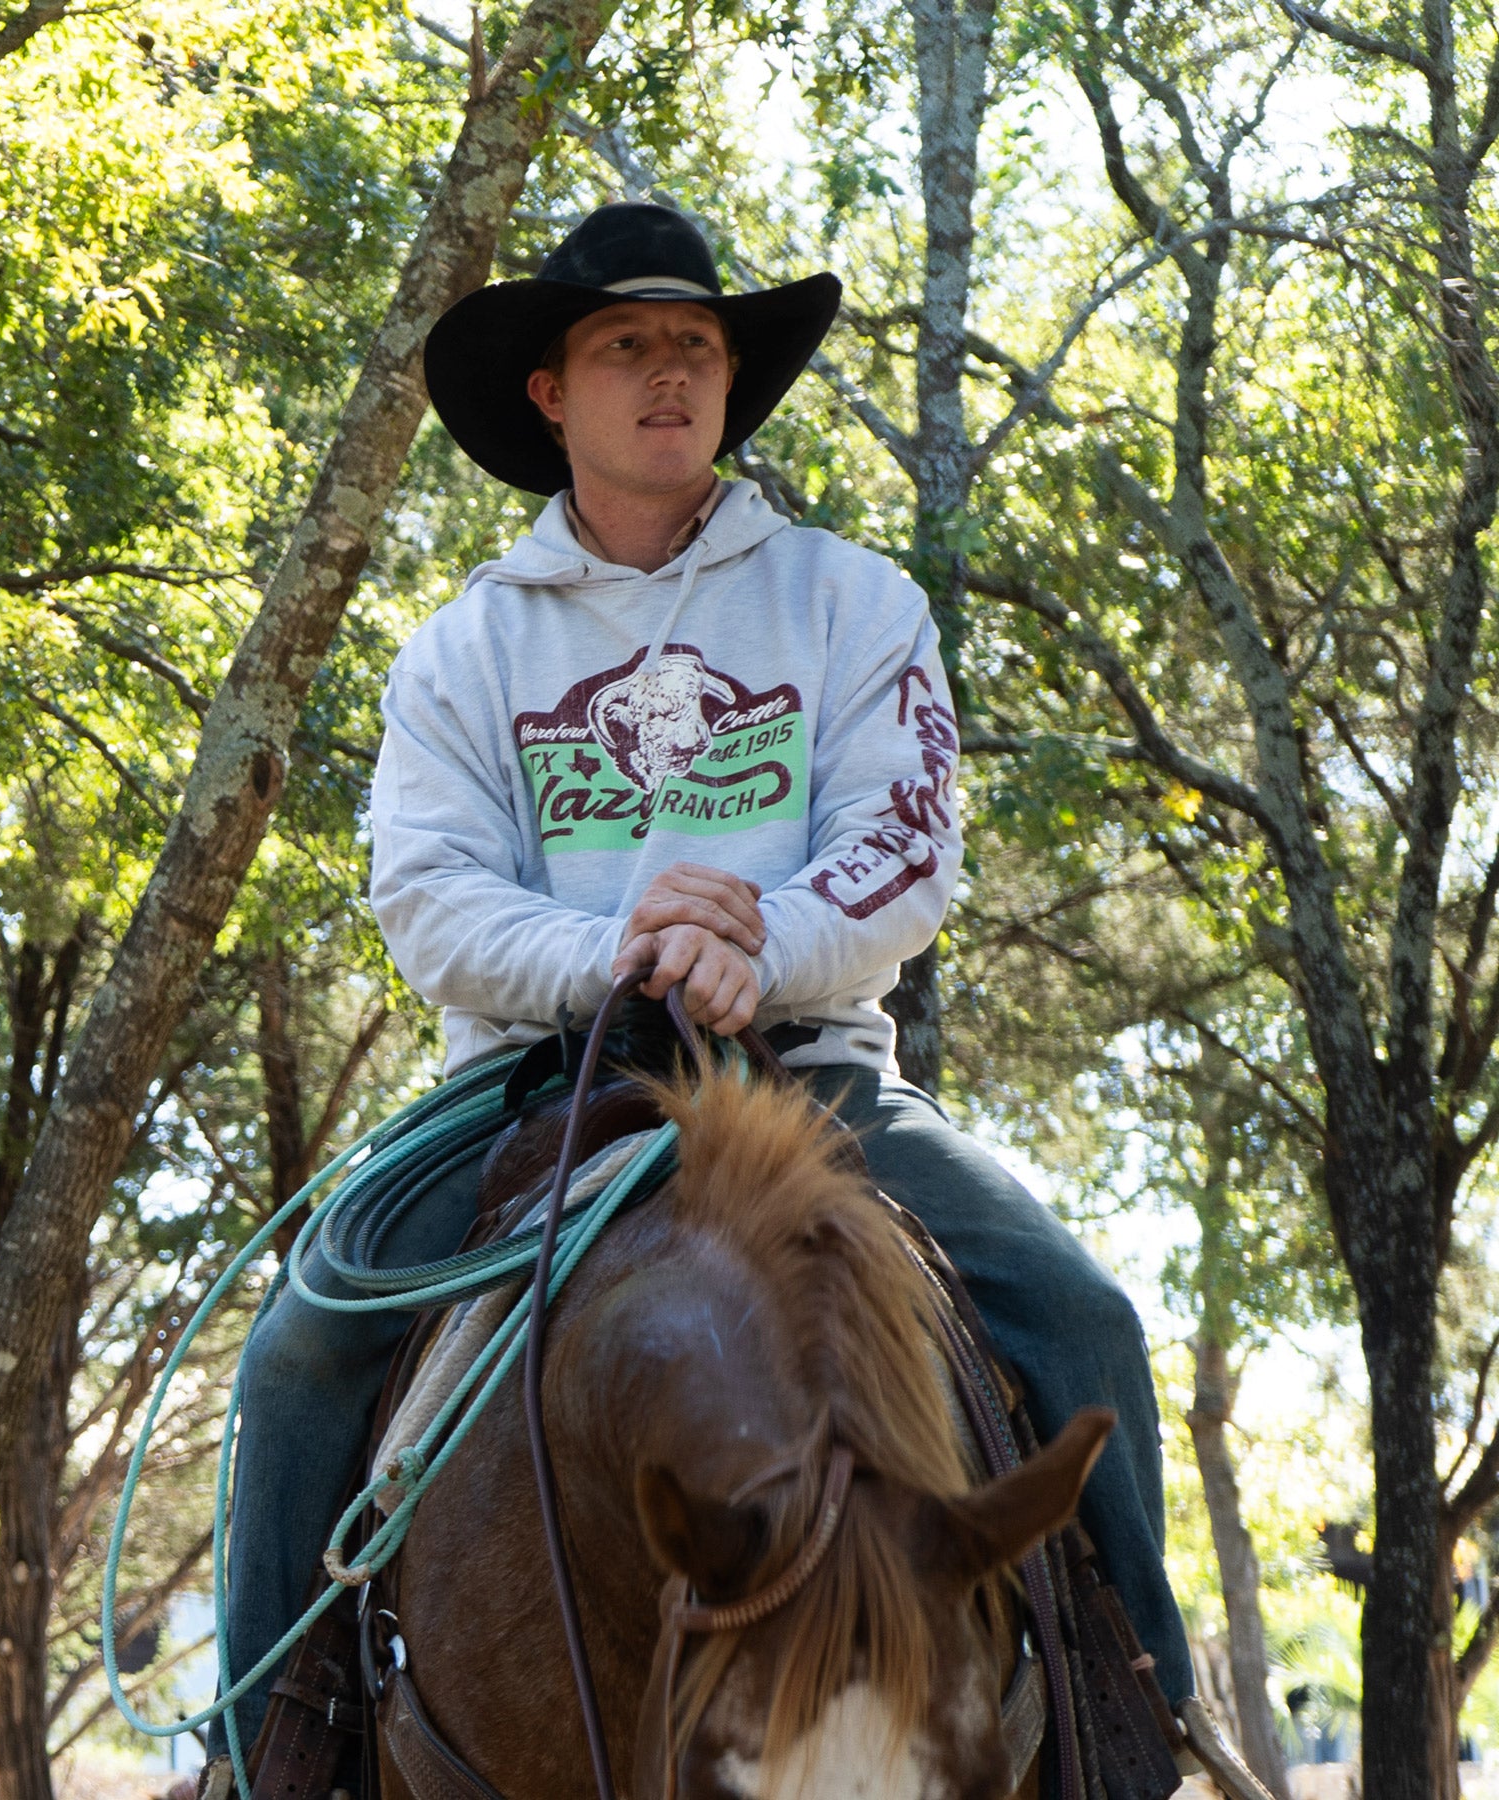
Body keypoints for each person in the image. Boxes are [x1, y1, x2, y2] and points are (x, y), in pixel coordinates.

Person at [201, 201, 1195, 1793]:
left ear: (731, 381)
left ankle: (1139, 1726)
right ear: (551, 391)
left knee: (1078, 1312)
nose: (669, 375)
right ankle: (269, 1755)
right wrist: (621, 956)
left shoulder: (848, 603)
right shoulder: (463, 651)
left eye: (698, 346)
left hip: (804, 1075)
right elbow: (431, 901)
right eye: (625, 346)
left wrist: (760, 948)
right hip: (533, 1087)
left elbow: (909, 841)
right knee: (301, 1352)